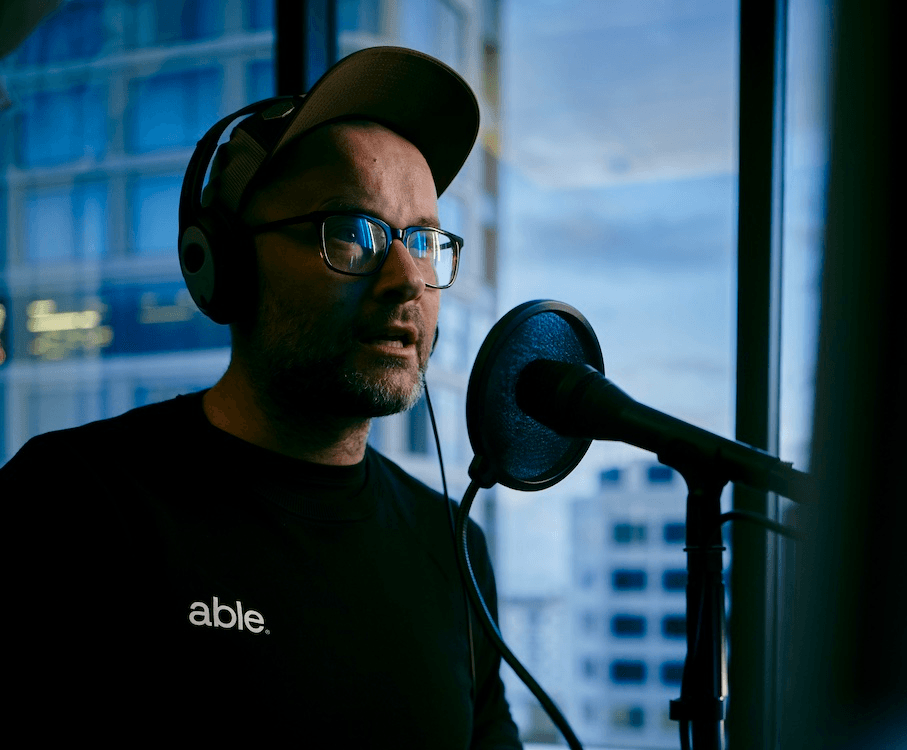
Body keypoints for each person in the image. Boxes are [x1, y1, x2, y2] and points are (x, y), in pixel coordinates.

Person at [3, 47, 522, 747]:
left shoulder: (452, 547)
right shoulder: (75, 501)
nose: (408, 278)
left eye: (424, 240)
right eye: (352, 231)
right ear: (226, 263)